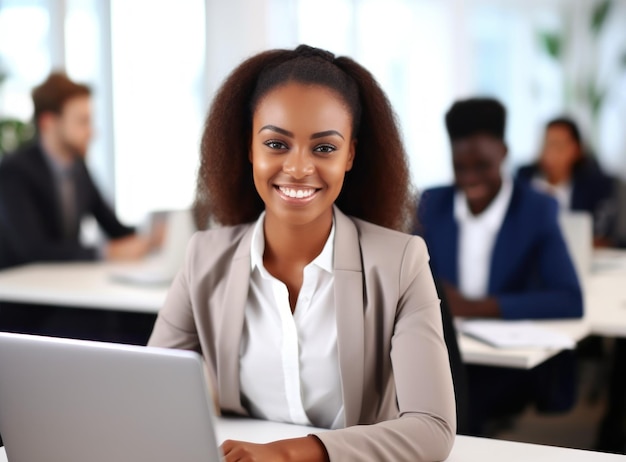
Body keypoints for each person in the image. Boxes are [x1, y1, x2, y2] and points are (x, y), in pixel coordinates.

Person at [148, 45, 455, 461]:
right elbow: (150, 394)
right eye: (276, 144)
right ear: (249, 148)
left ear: (350, 154)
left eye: (324, 148)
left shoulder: (400, 262)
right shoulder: (204, 256)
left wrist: (289, 454)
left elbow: (431, 429)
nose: (297, 168)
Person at [416, 97, 583, 435]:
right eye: (460, 167)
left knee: (459, 407)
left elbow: (569, 299)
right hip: (442, 351)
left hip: (502, 362)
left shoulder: (537, 209)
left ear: (503, 153)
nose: (470, 179)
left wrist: (475, 307)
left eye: (481, 165)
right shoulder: (433, 204)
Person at [0, 72, 152, 269]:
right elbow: (33, 250)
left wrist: (149, 237)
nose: (92, 132)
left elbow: (114, 228)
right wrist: (104, 251)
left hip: (66, 284)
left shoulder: (78, 169)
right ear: (48, 122)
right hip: (22, 292)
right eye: (82, 121)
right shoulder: (15, 172)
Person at [517, 116, 616, 246]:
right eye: (546, 144)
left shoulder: (594, 185)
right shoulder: (524, 179)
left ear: (576, 150)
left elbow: (603, 236)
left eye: (558, 146)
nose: (550, 153)